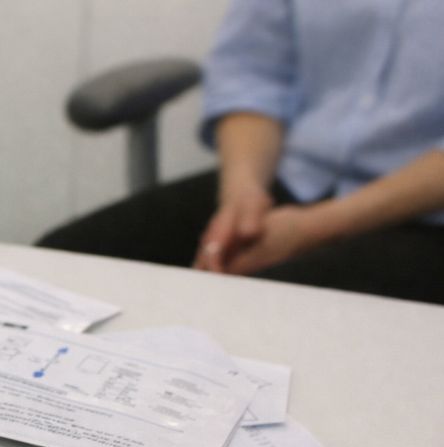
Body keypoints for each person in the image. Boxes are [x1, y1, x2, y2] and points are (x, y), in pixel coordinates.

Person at [37, 0, 444, 305]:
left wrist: (315, 229)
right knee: (53, 269)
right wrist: (242, 195)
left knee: (252, 318)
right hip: (293, 177)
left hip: (423, 215)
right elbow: (253, 73)